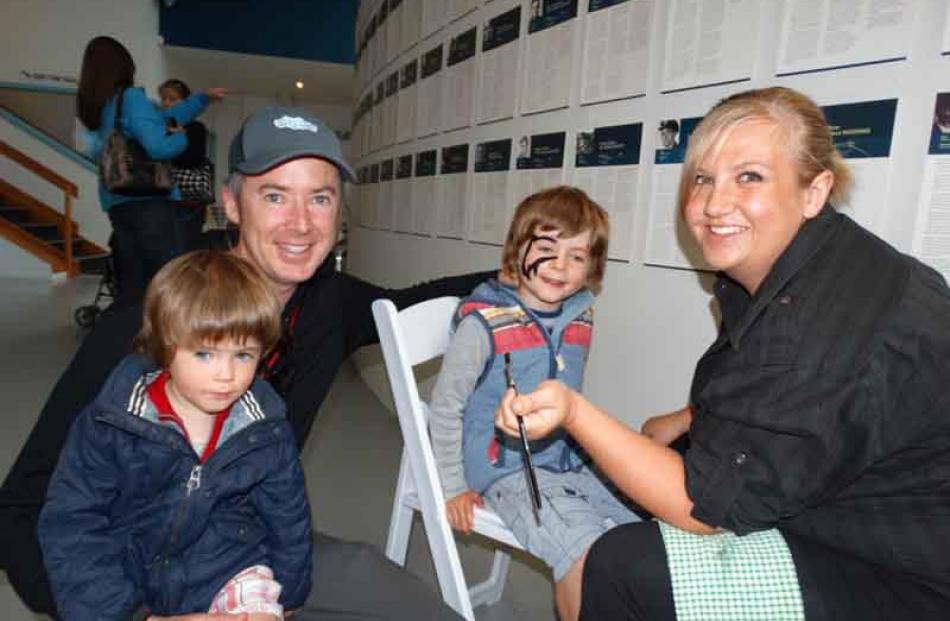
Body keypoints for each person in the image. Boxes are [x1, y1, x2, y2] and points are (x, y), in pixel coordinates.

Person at [0, 105, 492, 618]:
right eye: (275, 196)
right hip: (129, 567)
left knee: (407, 603)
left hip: (243, 550)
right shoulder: (153, 318)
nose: (301, 224)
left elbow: (410, 302)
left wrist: (528, 271)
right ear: (233, 205)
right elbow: (22, 513)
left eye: (320, 198)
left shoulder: (328, 303)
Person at [496, 87, 950, 620]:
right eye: (704, 178)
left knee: (621, 563)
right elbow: (807, 406)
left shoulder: (813, 330)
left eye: (750, 177)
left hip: (906, 577)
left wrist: (574, 411)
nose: (714, 204)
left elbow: (704, 507)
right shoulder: (827, 265)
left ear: (814, 191)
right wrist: (689, 418)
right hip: (865, 499)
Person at [39, 250, 311, 620]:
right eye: (204, 354)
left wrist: (291, 594)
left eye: (244, 355)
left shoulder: (266, 427)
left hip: (229, 569)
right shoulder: (110, 424)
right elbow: (71, 523)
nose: (226, 375)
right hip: (130, 578)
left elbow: (288, 515)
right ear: (166, 344)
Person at [430, 186, 638, 621]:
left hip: (565, 459)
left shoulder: (580, 315)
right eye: (546, 249)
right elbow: (446, 407)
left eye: (577, 256)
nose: (560, 267)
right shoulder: (482, 324)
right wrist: (451, 487)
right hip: (504, 468)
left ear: (592, 268)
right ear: (517, 249)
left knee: (637, 530)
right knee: (582, 550)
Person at [76, 36, 225, 304]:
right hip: (149, 200)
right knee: (167, 282)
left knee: (133, 282)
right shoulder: (131, 98)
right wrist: (180, 138)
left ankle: (131, 336)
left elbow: (161, 120)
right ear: (123, 66)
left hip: (117, 200)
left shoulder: (98, 106)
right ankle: (164, 339)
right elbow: (158, 146)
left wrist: (201, 100)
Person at [159, 79, 216, 231]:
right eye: (163, 99)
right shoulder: (159, 129)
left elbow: (193, 159)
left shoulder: (196, 128)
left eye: (172, 99)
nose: (166, 103)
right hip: (165, 197)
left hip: (189, 201)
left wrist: (178, 139)